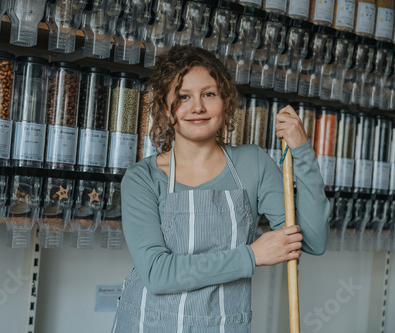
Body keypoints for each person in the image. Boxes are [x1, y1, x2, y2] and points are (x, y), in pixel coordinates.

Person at [111, 45, 329, 332]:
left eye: (209, 94)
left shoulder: (253, 164)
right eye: (183, 97)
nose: (197, 107)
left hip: (224, 325)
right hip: (150, 323)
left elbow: (313, 240)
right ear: (165, 107)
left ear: (225, 100)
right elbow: (157, 274)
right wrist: (250, 256)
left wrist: (302, 151)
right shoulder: (143, 178)